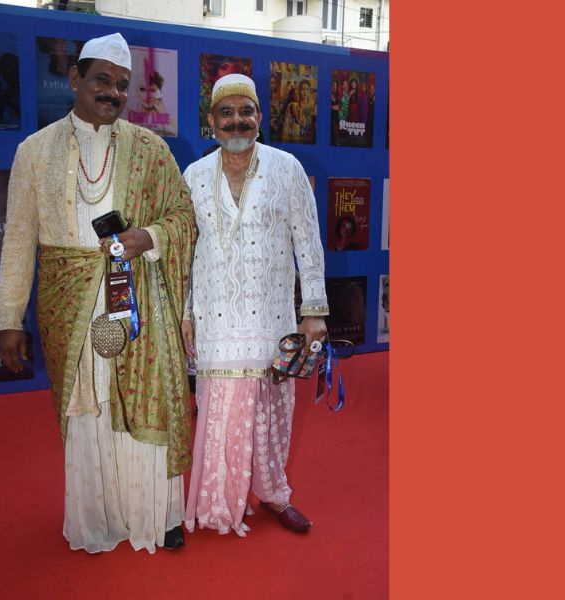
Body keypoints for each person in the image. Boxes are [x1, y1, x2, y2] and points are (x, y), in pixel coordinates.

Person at [0, 32, 197, 554]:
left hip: (138, 300)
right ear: (74, 79)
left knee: (144, 398)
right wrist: (8, 319)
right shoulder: (33, 152)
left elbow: (183, 216)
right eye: (102, 80)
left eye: (123, 85)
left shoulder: (151, 149)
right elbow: (18, 240)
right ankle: (100, 516)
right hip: (69, 303)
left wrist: (149, 237)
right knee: (91, 405)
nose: (113, 92)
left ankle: (157, 514)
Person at [181, 74, 329, 537]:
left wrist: (314, 310)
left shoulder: (287, 168)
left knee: (272, 409)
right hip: (216, 315)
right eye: (226, 113)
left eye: (246, 111)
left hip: (271, 315)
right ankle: (218, 500)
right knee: (220, 409)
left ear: (259, 117)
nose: (236, 121)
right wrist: (185, 312)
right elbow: (188, 252)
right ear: (211, 122)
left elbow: (308, 241)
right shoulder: (194, 176)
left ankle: (274, 492)